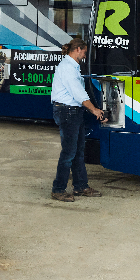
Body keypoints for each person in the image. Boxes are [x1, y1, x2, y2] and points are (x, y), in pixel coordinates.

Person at [49, 37, 107, 202]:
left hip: (73, 112)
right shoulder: (67, 68)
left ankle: (80, 186)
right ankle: (58, 189)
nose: (85, 56)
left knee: (78, 151)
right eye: (84, 52)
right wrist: (94, 110)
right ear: (78, 50)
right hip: (67, 112)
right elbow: (79, 94)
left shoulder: (72, 67)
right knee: (68, 152)